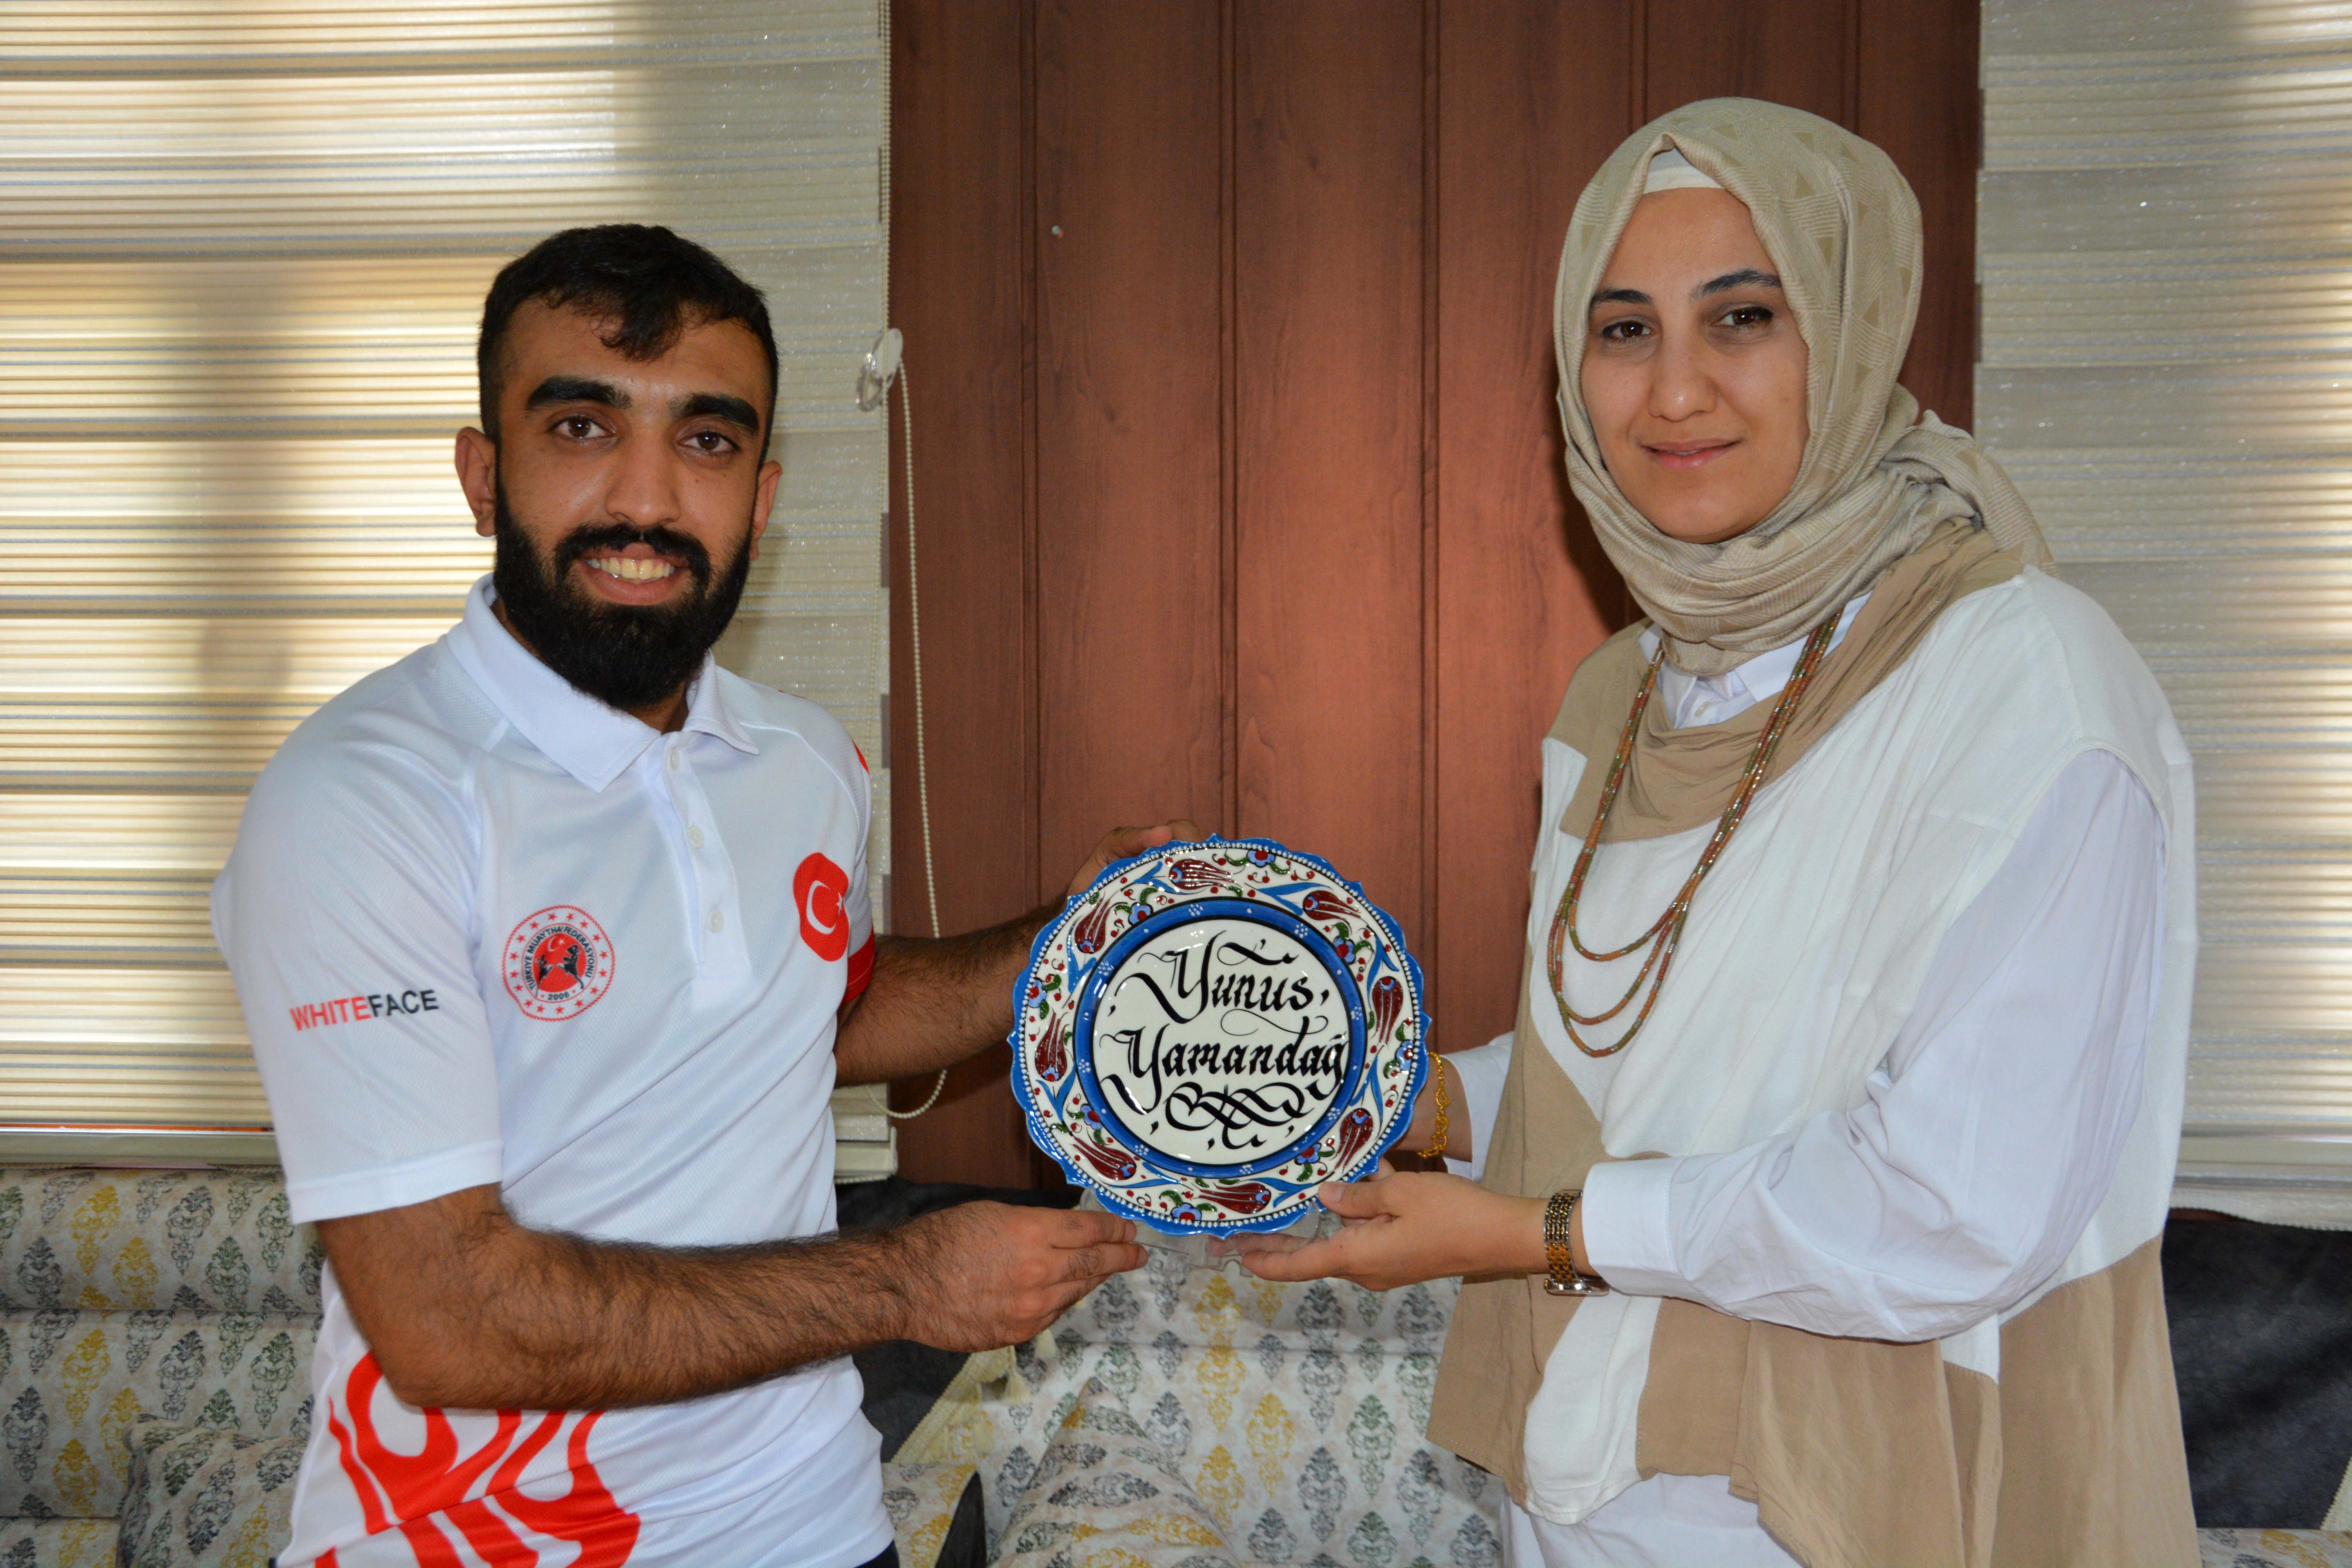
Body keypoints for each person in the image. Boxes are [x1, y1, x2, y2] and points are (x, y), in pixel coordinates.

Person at [1228, 101, 2199, 1568]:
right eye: (1624, 330)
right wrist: (1422, 1107)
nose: (1675, 391)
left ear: (1853, 330)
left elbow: (1955, 1209)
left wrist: (1528, 1236)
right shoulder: (1621, 691)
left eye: (1743, 316)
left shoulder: (2025, 688)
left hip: (1855, 1501)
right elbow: (1655, 1061)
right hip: (1582, 1472)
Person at [211, 225, 1161, 1567]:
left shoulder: (806, 760)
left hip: (819, 1529)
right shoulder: (363, 798)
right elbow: (446, 1318)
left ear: (762, 498)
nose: (648, 500)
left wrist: (1086, 939)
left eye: (706, 440)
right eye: (582, 427)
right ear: (483, 474)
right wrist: (905, 1280)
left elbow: (814, 1012)